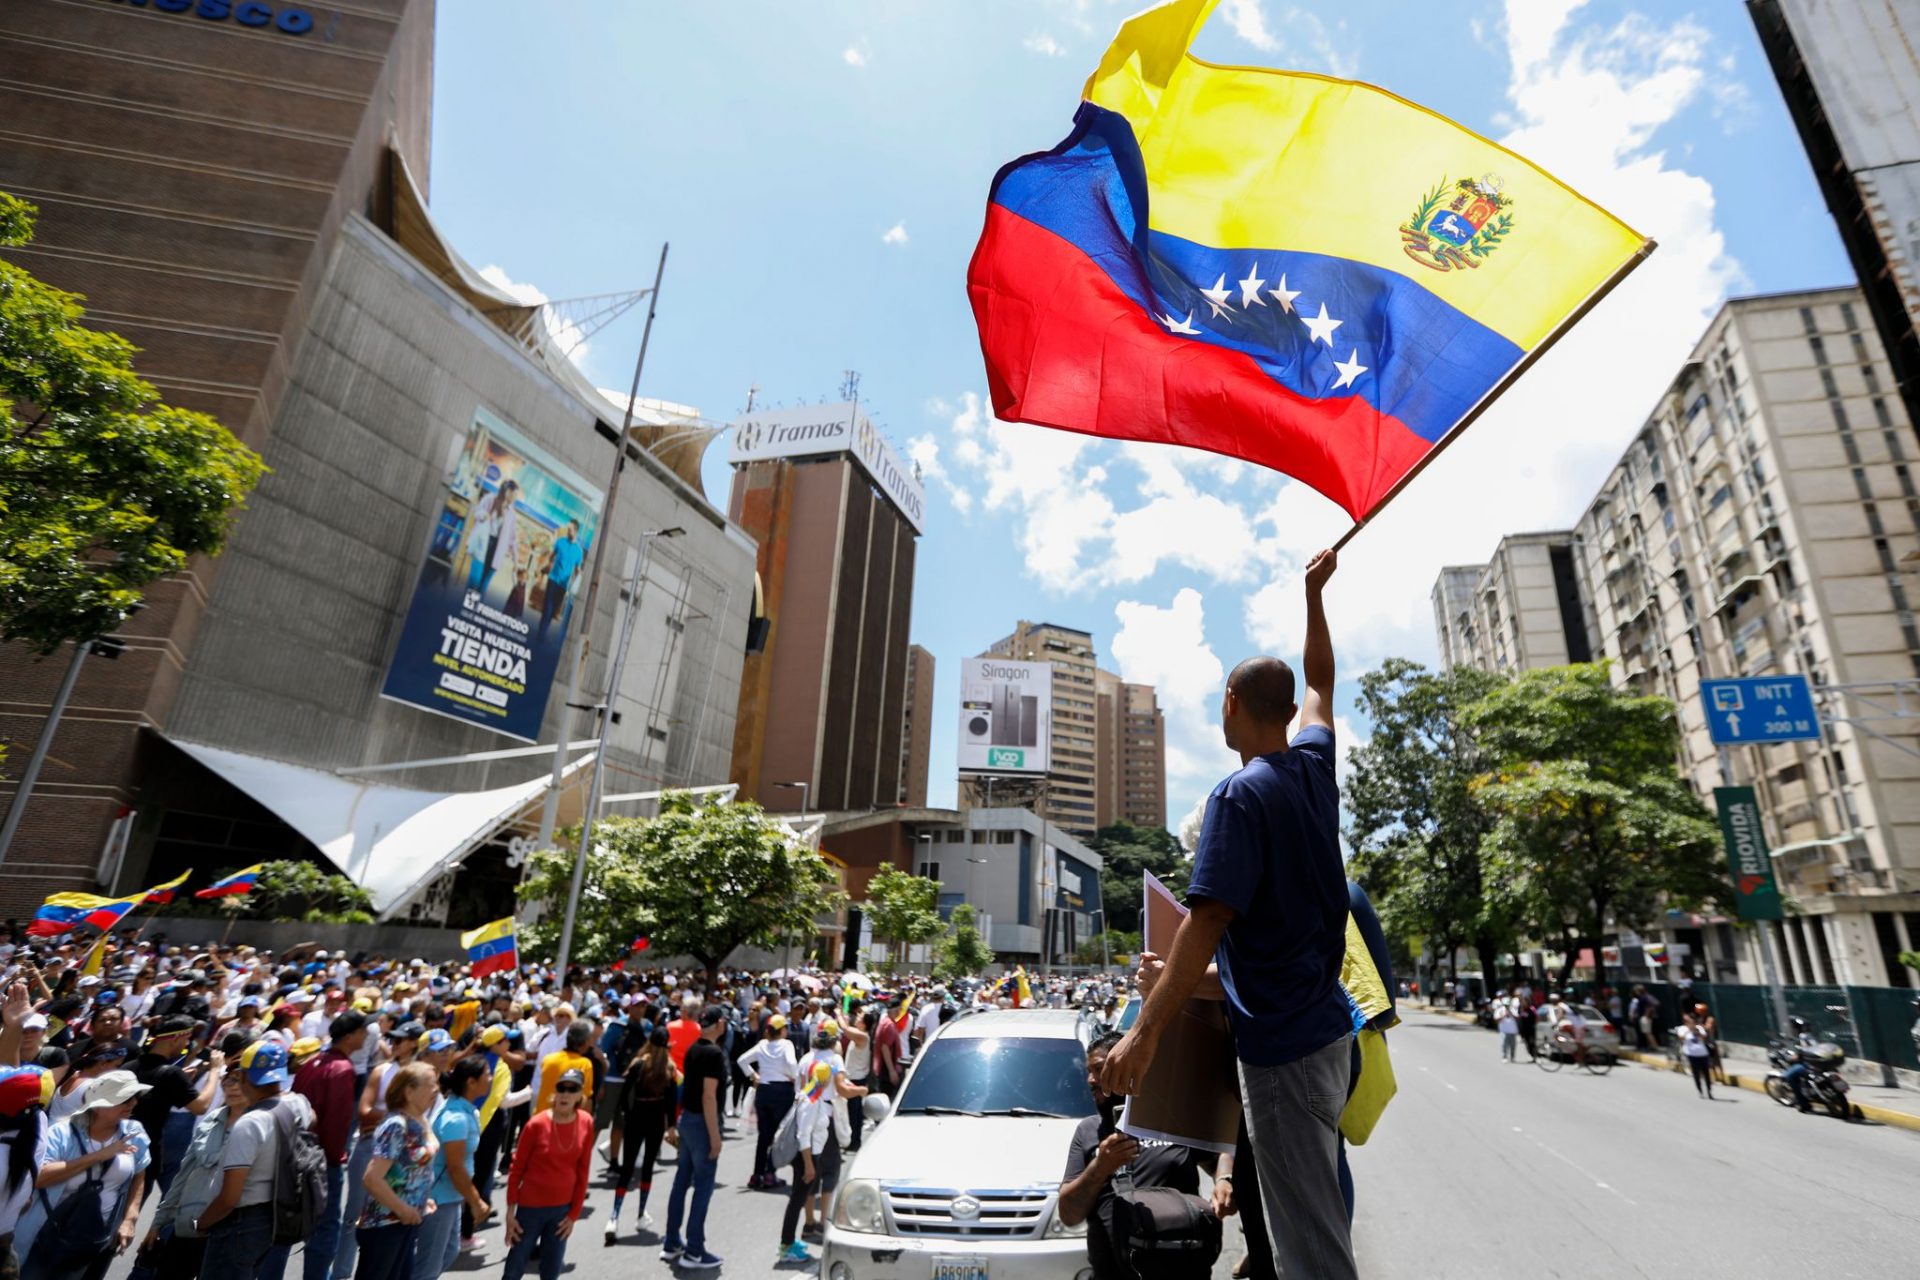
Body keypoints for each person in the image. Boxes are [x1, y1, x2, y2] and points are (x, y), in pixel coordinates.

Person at [1100, 549, 1354, 1280]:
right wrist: (1313, 596)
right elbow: (1323, 682)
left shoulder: (1238, 797)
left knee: (1312, 1250)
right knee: (1312, 1227)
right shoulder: (1313, 767)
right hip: (1326, 1038)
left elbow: (1203, 923)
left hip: (1286, 1054)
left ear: (1232, 704)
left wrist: (1145, 1033)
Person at [1060, 1032, 1221, 1280]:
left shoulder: (1173, 1118)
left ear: (1127, 1065)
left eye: (1099, 1069)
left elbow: (1218, 1158)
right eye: (1089, 1072)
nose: (1091, 1080)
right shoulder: (1088, 1131)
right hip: (1114, 1271)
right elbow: (1068, 1215)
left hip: (1181, 1265)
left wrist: (1225, 1180)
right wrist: (1100, 1167)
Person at [194, 1039, 315, 1280]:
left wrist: (202, 1223)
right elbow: (313, 1121)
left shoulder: (250, 1123)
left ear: (244, 1075)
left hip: (240, 1222)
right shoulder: (299, 1103)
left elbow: (229, 1198)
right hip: (275, 1215)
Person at [15, 1069, 151, 1280]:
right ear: (98, 1106)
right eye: (125, 1098)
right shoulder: (61, 1133)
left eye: (136, 1097)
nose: (132, 1103)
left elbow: (139, 1176)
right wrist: (99, 1156)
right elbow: (40, 1177)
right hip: (43, 1236)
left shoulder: (135, 1132)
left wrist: (130, 1219)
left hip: (89, 1240)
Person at [135, 1060, 246, 1279]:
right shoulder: (211, 1121)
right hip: (190, 1225)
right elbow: (183, 1176)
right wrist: (158, 1223)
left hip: (229, 1233)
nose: (233, 1086)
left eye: (241, 1081)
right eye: (229, 1079)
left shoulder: (261, 1127)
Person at [332, 1022, 419, 1280]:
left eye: (400, 1040)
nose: (393, 1045)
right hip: (371, 1148)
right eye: (391, 1040)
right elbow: (364, 1113)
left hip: (406, 1158)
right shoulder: (381, 1071)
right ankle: (340, 1274)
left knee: (397, 1220)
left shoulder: (422, 1075)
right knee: (353, 1217)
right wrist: (403, 1117)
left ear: (414, 1042)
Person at [776, 1021, 866, 1265]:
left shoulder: (806, 1059)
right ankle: (814, 1226)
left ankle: (808, 1223)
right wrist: (860, 1091)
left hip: (810, 1121)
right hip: (819, 1124)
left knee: (807, 1183)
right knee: (825, 1171)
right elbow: (842, 1089)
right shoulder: (833, 1062)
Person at [294, 1010, 366, 1280]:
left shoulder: (314, 1062)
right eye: (362, 1031)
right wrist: (336, 1159)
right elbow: (337, 1123)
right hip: (323, 1161)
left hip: (301, 1154)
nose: (366, 1035)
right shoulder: (341, 1069)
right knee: (325, 1233)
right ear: (350, 1036)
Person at [502, 1068, 593, 1280]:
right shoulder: (536, 1124)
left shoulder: (586, 1121)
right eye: (562, 1088)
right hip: (530, 1208)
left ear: (581, 1095)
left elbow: (583, 1170)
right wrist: (510, 1212)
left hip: (562, 1211)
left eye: (573, 1089)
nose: (565, 1094)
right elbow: (517, 1169)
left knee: (551, 1270)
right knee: (514, 1269)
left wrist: (573, 1215)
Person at [352, 1062, 438, 1280]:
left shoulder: (418, 1120)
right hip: (385, 1226)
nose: (436, 1089)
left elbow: (413, 1163)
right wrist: (402, 1208)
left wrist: (419, 1196)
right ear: (409, 1092)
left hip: (404, 1222)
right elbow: (372, 1178)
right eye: (431, 1084)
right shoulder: (396, 1126)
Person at [659, 1007, 727, 1271]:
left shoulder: (693, 1049)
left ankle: (672, 1241)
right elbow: (708, 1096)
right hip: (700, 1123)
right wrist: (715, 1136)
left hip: (688, 1120)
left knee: (681, 1181)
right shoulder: (713, 1053)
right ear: (719, 1024)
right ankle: (695, 1250)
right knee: (703, 1186)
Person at [414, 1057, 491, 1280]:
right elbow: (455, 1168)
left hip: (452, 1198)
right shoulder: (456, 1118)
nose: (491, 1078)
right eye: (486, 1073)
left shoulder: (465, 1111)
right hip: (439, 1200)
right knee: (427, 1268)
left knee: (449, 1252)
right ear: (471, 1082)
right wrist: (476, 1202)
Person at [605, 1027, 676, 1243]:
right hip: (656, 1119)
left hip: (637, 1116)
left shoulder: (638, 1064)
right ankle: (640, 1214)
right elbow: (671, 1102)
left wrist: (627, 1115)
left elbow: (624, 1094)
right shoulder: (669, 1067)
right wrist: (670, 1126)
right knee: (648, 1168)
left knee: (627, 1168)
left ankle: (614, 1216)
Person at [736, 1014, 796, 1189]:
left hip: (763, 1090)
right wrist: (792, 1076)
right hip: (782, 1091)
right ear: (782, 1030)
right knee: (778, 1134)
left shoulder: (762, 1045)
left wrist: (754, 1076)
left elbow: (742, 1061)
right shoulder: (786, 1045)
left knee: (764, 1135)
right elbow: (792, 1064)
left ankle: (757, 1174)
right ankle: (770, 1173)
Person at [535, 520, 584, 644]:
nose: (568, 531)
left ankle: (543, 629)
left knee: (553, 610)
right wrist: (544, 566)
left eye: (571, 529)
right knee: (547, 607)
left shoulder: (579, 551)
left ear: (576, 531)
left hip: (563, 585)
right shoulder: (560, 541)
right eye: (568, 529)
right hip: (553, 579)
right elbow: (551, 556)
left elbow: (577, 570)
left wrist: (577, 582)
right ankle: (541, 633)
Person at [1677, 1013, 1715, 1099]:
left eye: (1693, 1022)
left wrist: (1696, 1030)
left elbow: (1704, 1037)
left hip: (1703, 1053)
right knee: (1696, 1073)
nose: (1691, 1023)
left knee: (1706, 1073)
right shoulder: (1682, 1029)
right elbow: (1681, 1038)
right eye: (1689, 1022)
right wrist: (1688, 1030)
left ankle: (1709, 1091)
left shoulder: (1699, 1028)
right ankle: (1700, 1090)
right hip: (1692, 1054)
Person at [1495, 990, 1520, 1063]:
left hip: (1513, 1030)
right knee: (1504, 1045)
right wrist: (1503, 1015)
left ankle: (1512, 1057)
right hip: (1504, 1030)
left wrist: (1511, 1013)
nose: (1507, 1006)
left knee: (1513, 1045)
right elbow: (1496, 1019)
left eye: (1508, 1005)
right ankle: (1504, 1056)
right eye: (1505, 1005)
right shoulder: (1500, 1010)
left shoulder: (1513, 1010)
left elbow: (1518, 1018)